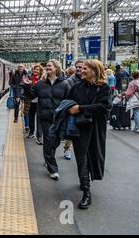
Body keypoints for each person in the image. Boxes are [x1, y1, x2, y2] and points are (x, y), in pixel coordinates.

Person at [67, 59, 111, 209]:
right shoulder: (76, 87)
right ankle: (86, 192)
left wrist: (80, 107)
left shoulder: (104, 88)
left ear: (95, 71)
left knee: (93, 156)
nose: (82, 71)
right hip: (80, 128)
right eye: (82, 68)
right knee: (82, 159)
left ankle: (84, 182)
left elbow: (103, 107)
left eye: (85, 69)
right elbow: (68, 103)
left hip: (96, 129)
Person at [23, 59, 70, 180]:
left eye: (50, 66)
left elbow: (69, 100)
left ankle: (49, 157)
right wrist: (27, 86)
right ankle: (52, 168)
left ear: (56, 68)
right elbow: (31, 95)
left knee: (56, 141)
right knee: (48, 140)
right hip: (45, 116)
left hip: (59, 118)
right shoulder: (40, 83)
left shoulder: (64, 84)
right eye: (47, 66)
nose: (48, 67)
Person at [26, 64, 43, 145]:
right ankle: (31, 132)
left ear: (40, 71)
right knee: (31, 117)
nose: (35, 71)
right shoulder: (28, 78)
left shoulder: (43, 79)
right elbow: (24, 89)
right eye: (35, 69)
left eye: (37, 70)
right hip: (30, 101)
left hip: (40, 102)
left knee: (39, 119)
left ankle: (39, 137)